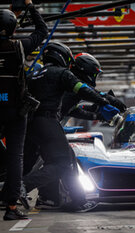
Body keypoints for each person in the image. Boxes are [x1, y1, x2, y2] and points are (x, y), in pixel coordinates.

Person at [27, 53, 126, 211]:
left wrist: (97, 114)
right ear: (87, 71)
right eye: (94, 74)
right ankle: (74, 200)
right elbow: (85, 93)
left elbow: (72, 110)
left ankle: (49, 198)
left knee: (54, 163)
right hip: (46, 125)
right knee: (65, 162)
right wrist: (107, 101)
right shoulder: (67, 80)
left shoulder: (51, 78)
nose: (95, 78)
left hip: (36, 125)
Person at [0, 0, 48, 220]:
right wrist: (30, 7)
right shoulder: (19, 47)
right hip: (15, 110)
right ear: (13, 29)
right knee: (14, 156)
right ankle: (11, 208)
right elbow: (42, 30)